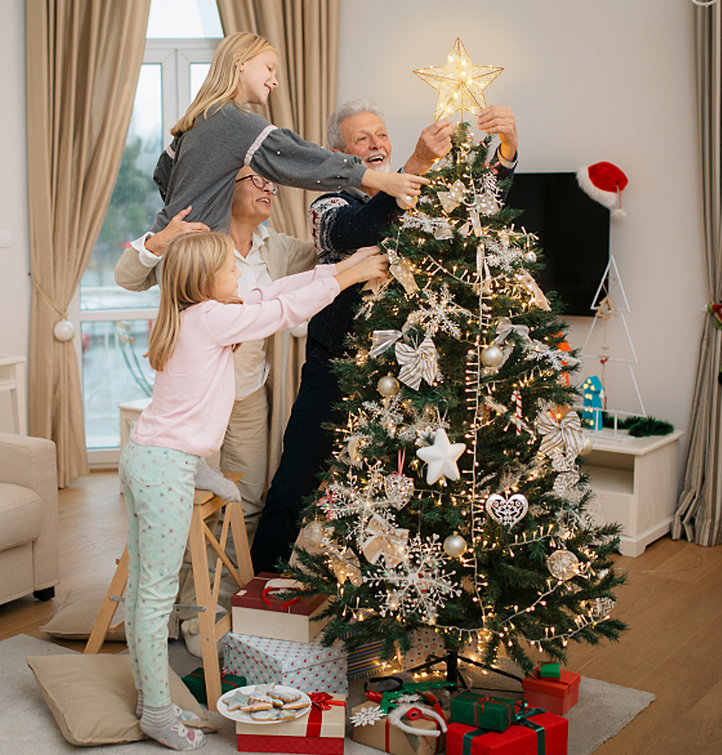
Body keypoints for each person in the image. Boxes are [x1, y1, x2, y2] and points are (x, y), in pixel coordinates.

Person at [120, 231, 386, 750]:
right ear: (205, 282)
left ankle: (150, 697)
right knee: (150, 598)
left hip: (152, 452)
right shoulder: (213, 319)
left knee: (140, 594)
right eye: (231, 270)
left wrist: (336, 269)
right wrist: (347, 277)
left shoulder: (194, 312)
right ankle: (155, 710)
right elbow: (281, 312)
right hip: (163, 467)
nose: (240, 276)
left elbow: (272, 293)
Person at [251, 99, 519, 574]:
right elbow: (358, 229)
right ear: (339, 154)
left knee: (396, 485)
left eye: (381, 136)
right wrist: (415, 163)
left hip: (402, 373)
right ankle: (262, 584)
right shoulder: (328, 205)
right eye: (362, 139)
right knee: (298, 479)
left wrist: (508, 149)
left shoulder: (413, 191)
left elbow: (482, 207)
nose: (376, 146)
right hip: (336, 369)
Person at [116, 166, 316, 541]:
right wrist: (160, 240)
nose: (268, 188)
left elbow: (324, 263)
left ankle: (229, 595)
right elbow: (127, 278)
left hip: (249, 395)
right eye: (256, 180)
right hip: (197, 404)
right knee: (192, 505)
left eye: (271, 181)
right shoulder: (197, 244)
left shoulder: (279, 247)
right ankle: (193, 595)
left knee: (248, 498)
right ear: (228, 186)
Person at [151, 32, 427, 238]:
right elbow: (299, 157)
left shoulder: (198, 120)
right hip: (199, 252)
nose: (275, 81)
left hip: (176, 248)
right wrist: (384, 181)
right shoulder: (232, 120)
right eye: (269, 68)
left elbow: (163, 173)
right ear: (240, 62)